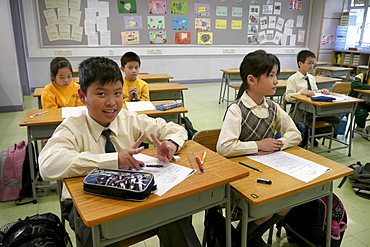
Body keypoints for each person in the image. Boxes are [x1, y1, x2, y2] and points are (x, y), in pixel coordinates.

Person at [39, 57, 201, 247]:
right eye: (101, 94)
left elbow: (174, 127)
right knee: (96, 232)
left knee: (176, 214)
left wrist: (171, 143)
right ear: (82, 96)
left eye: (117, 93)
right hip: (90, 203)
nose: (112, 102)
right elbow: (48, 165)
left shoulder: (128, 118)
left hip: (133, 192)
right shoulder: (72, 127)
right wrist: (113, 160)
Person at [217, 50, 302, 247]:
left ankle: (250, 237)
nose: (276, 81)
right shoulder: (237, 109)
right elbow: (224, 147)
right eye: (271, 75)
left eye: (276, 75)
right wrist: (258, 145)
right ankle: (240, 238)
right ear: (252, 80)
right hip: (244, 177)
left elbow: (295, 134)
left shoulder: (273, 107)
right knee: (265, 211)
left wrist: (279, 144)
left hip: (269, 170)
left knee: (285, 205)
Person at [285, 50, 341, 145]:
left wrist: (322, 91)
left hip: (315, 108)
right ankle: (305, 138)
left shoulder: (311, 78)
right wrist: (301, 93)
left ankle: (312, 135)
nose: (312, 66)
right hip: (300, 110)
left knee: (337, 121)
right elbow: (287, 97)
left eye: (313, 63)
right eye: (309, 63)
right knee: (303, 125)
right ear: (300, 63)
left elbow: (314, 92)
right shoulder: (292, 79)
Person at [348, 71, 370, 139]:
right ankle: (360, 128)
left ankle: (369, 128)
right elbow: (354, 85)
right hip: (357, 101)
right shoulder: (362, 76)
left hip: (368, 102)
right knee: (362, 112)